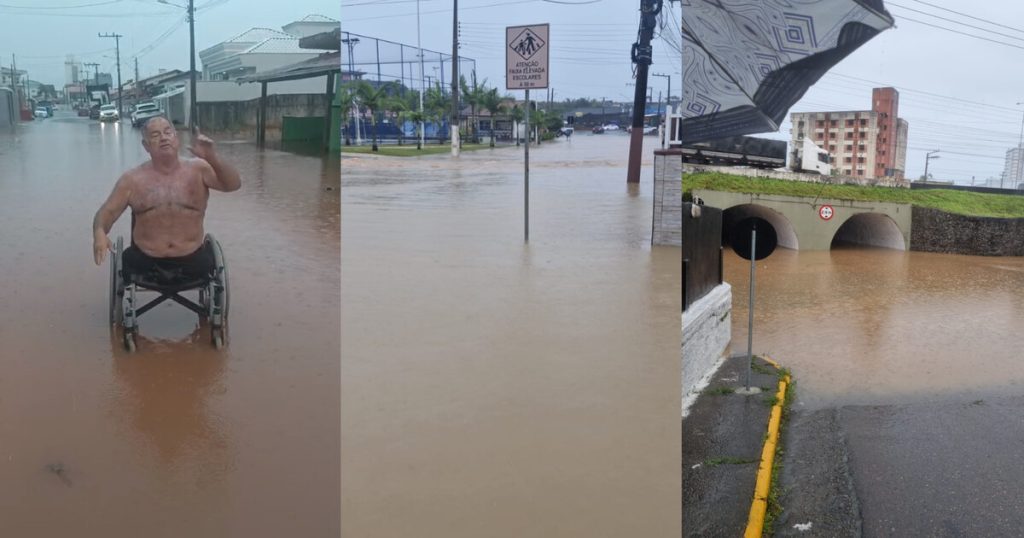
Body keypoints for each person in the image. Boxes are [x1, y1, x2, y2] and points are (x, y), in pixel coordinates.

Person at [92, 117, 241, 281]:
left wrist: (212, 158)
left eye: (167, 132)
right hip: (145, 261)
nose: (163, 138)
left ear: (176, 138)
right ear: (146, 145)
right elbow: (107, 213)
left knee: (208, 264)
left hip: (192, 259)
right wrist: (99, 232)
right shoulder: (132, 180)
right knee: (127, 260)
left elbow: (233, 185)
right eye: (155, 135)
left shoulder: (199, 169)